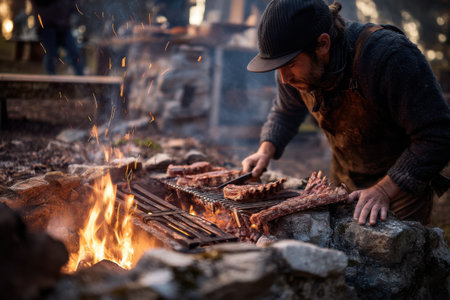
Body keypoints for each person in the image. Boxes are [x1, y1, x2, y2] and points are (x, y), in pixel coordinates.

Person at [242, 0, 450, 226]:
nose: (284, 79)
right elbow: (285, 112)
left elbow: (437, 135)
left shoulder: (388, 57)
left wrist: (382, 190)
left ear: (322, 44)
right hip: (344, 179)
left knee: (390, 257)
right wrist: (265, 149)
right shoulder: (290, 62)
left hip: (401, 185)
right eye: (278, 67)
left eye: (290, 65)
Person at [31, 0, 83, 75]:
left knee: (74, 51)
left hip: (64, 25)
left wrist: (75, 6)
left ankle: (81, 80)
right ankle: (52, 80)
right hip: (47, 25)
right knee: (50, 54)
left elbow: (75, 6)